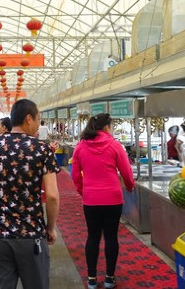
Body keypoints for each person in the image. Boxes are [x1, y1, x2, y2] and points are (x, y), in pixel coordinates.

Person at [0, 99, 60, 289]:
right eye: (38, 119)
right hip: (31, 234)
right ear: (28, 118)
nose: (38, 124)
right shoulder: (42, 149)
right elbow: (52, 195)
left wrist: (3, 190)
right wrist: (50, 228)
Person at [71, 113, 134, 289]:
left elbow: (75, 174)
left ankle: (91, 279)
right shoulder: (115, 145)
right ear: (106, 127)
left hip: (91, 199)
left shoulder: (80, 147)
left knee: (93, 236)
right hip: (113, 198)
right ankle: (109, 278)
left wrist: (82, 191)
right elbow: (126, 171)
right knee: (111, 237)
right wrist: (129, 186)